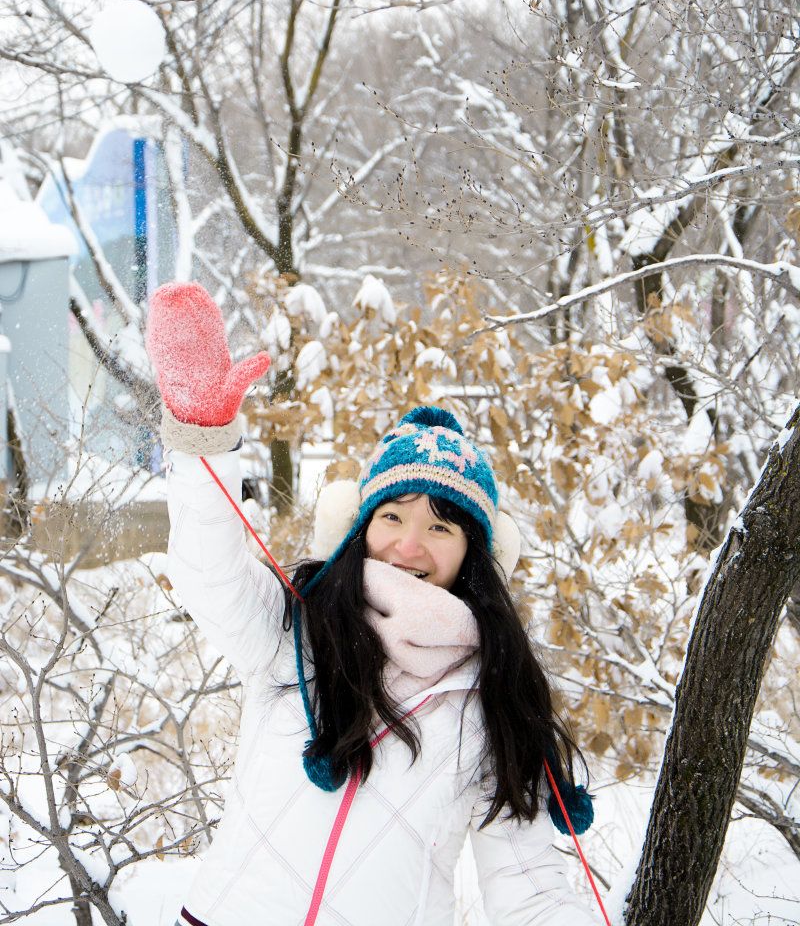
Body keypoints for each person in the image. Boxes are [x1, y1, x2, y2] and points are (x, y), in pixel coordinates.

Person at [146, 282, 599, 926]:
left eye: (442, 526)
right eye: (392, 516)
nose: (409, 545)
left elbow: (531, 890)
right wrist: (204, 444)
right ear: (360, 527)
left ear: (475, 552)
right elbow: (206, 572)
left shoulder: (495, 695)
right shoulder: (294, 626)